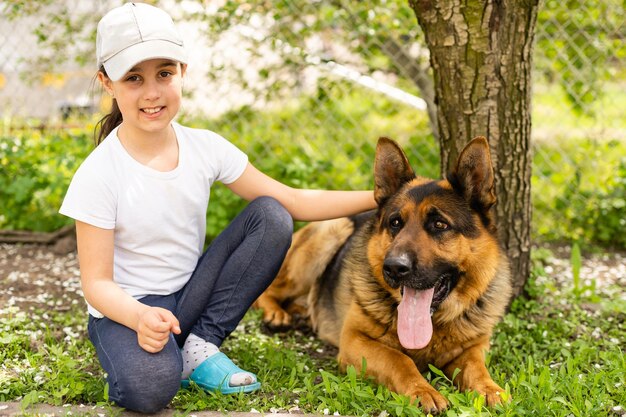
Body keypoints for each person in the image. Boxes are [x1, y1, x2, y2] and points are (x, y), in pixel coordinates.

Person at [59, 2, 376, 414]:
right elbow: (97, 285)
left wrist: (383, 195)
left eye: (164, 73)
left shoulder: (203, 147)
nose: (152, 92)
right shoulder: (99, 173)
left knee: (271, 214)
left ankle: (199, 344)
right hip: (124, 310)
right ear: (107, 83)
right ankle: (165, 355)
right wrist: (139, 318)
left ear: (183, 71)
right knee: (151, 389)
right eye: (133, 78)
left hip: (190, 293)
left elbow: (294, 201)